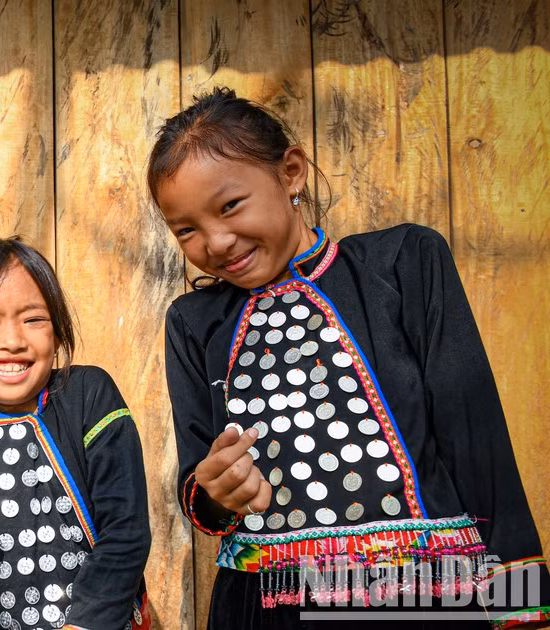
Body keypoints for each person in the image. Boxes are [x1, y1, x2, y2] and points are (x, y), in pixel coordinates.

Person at [153, 86, 550, 629]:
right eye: (187, 230)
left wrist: (520, 606)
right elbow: (201, 487)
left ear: (291, 172)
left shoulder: (406, 263)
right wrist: (218, 492)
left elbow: (475, 436)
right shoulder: (193, 323)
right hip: (264, 604)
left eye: (229, 206)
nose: (216, 242)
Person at [0, 237, 152, 630]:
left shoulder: (89, 395)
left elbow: (126, 531)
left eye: (33, 319)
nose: (12, 341)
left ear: (58, 332)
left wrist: (85, 624)